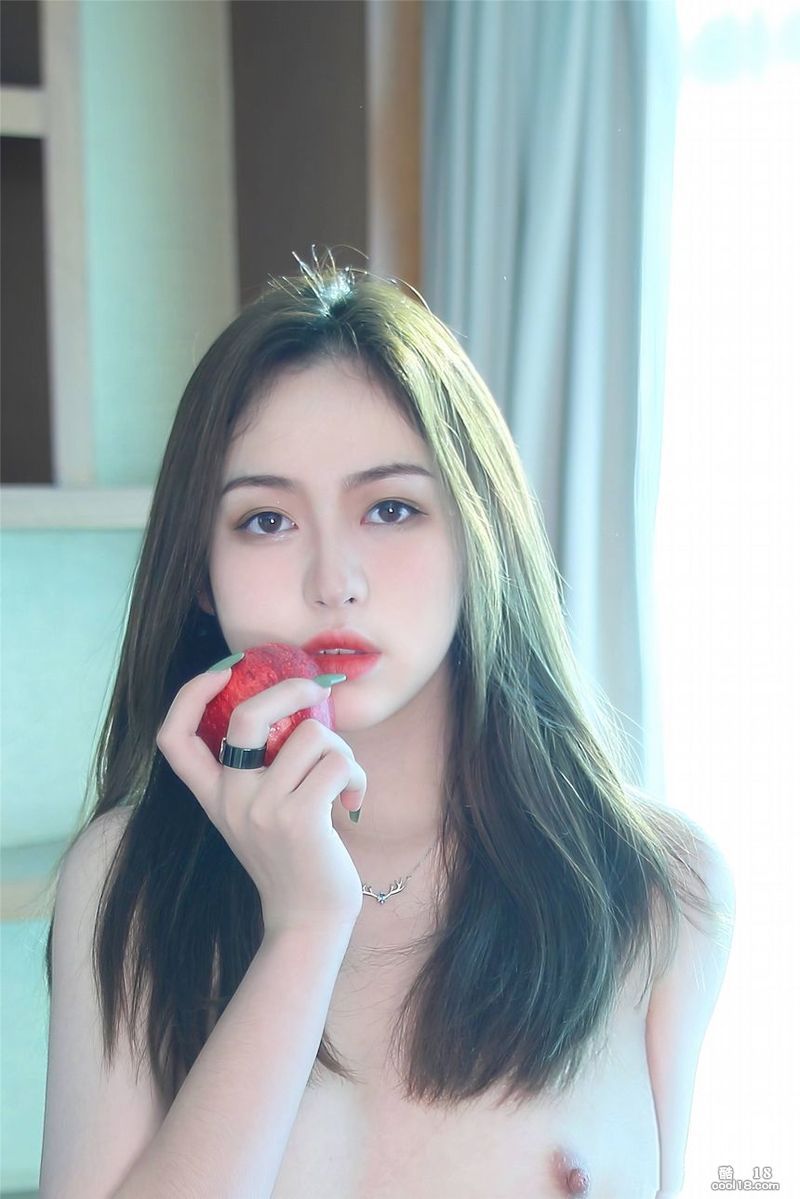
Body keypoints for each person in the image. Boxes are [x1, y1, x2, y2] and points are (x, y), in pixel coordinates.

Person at [38, 251, 735, 1198]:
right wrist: (304, 928)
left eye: (392, 508)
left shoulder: (660, 886)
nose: (333, 580)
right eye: (266, 520)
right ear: (200, 573)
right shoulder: (129, 879)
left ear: (478, 534)